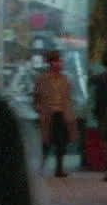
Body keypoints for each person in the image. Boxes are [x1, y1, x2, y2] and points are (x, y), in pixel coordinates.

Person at [31, 49, 75, 177]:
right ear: (51, 63)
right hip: (48, 114)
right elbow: (36, 96)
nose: (60, 63)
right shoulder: (42, 79)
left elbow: (68, 97)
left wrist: (70, 112)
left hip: (62, 114)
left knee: (62, 142)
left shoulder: (65, 79)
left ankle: (59, 169)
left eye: (60, 61)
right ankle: (40, 169)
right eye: (57, 61)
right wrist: (38, 108)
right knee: (45, 142)